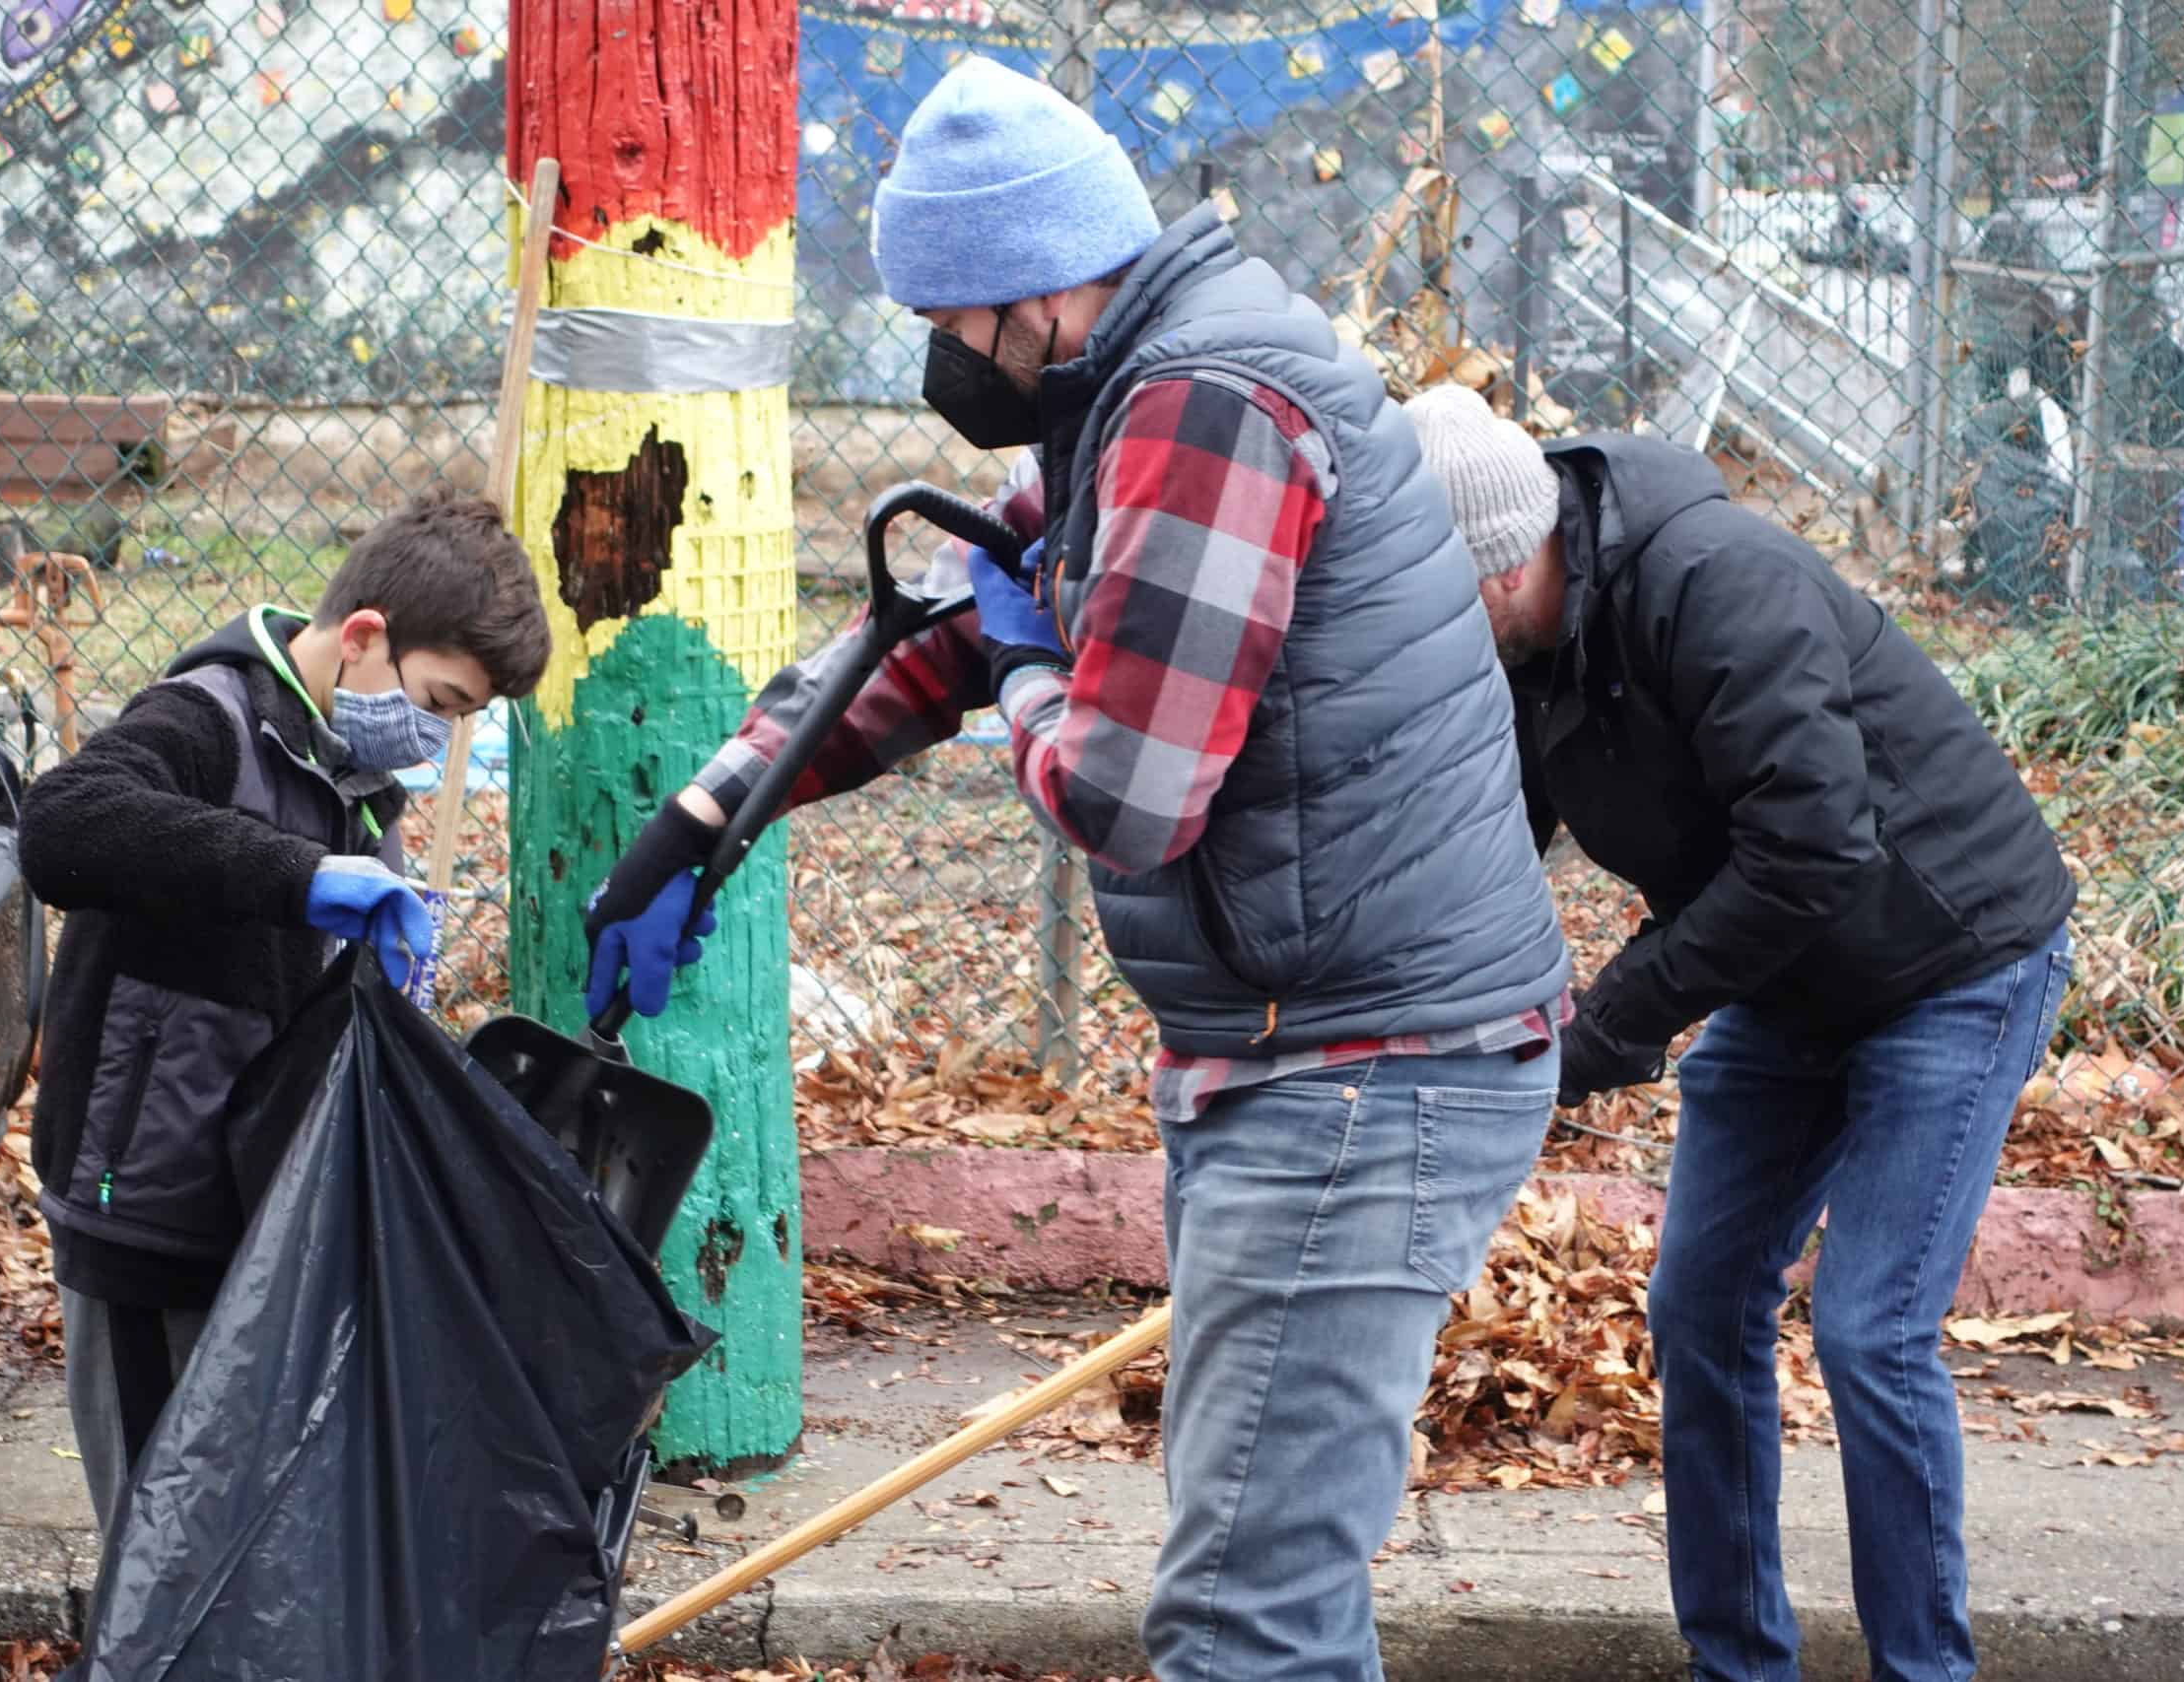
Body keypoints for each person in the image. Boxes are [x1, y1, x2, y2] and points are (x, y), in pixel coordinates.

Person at [581, 57, 1569, 1681]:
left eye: (953, 324)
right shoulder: (1125, 396)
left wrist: (1035, 659)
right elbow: (940, 620)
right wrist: (708, 816)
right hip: (1303, 1049)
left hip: (1368, 1074)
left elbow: (1128, 792)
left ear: (1037, 290)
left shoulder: (1209, 406)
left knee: (1245, 1612)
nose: (941, 364)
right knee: (1278, 1582)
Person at [1402, 383, 2075, 1682]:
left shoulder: (1718, 584)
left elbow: (1815, 848)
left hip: (1955, 960)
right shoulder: (1527, 657)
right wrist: (1435, 1033)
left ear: (1489, 572)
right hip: (1791, 977)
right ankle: (1737, 1664)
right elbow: (1477, 857)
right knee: (1700, 1302)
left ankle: (1924, 1669)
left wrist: (1606, 1020)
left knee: (1870, 1329)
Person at [18, 486, 550, 1530]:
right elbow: (63, 825)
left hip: (263, 1216)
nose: (440, 741)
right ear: (363, 637)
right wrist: (301, 875)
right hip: (142, 1202)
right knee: (155, 1534)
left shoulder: (358, 788)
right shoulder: (208, 720)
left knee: (242, 1530)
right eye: (441, 704)